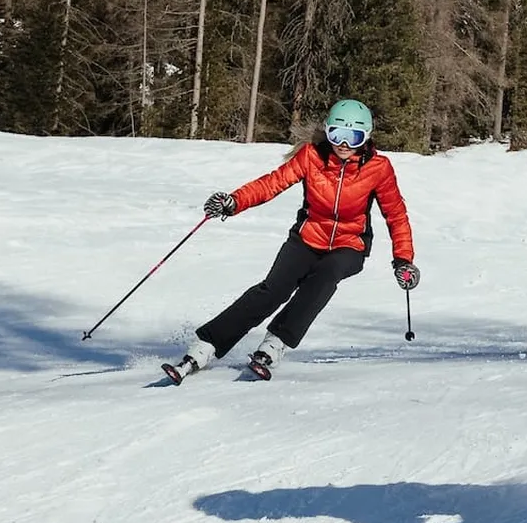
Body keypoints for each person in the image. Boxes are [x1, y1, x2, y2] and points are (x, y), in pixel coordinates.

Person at [162, 99, 418, 382]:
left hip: (349, 245)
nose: (343, 144)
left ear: (366, 138)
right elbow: (272, 183)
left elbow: (396, 215)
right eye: (337, 134)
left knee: (324, 277)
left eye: (353, 137)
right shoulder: (311, 157)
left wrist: (403, 261)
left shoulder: (378, 168)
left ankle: (275, 343)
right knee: (273, 290)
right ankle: (206, 345)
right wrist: (234, 202)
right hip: (307, 238)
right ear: (327, 131)